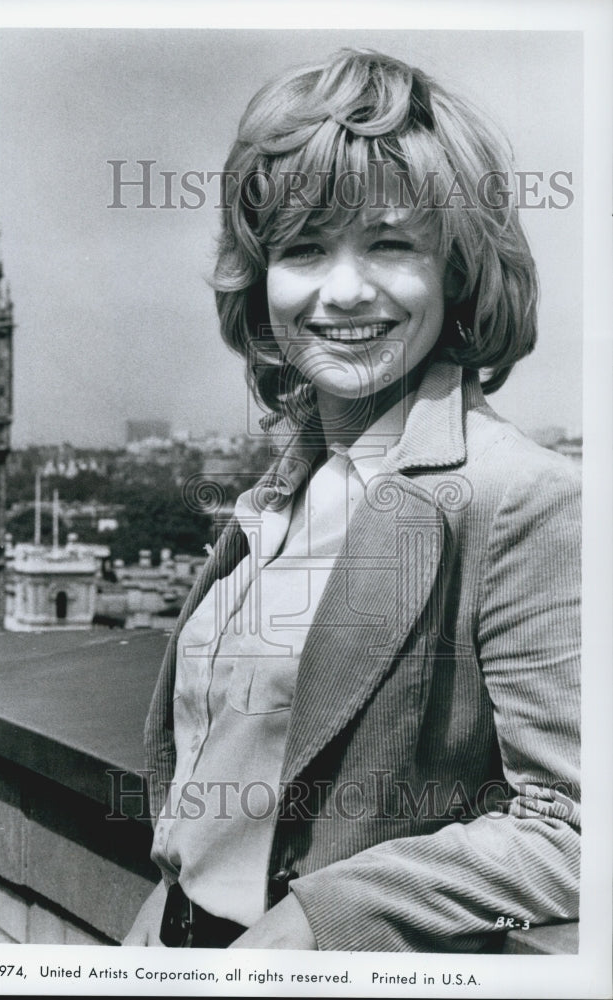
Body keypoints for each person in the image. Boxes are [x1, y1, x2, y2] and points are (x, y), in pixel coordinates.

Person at [124, 48, 580, 952]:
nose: (341, 291)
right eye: (301, 248)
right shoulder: (283, 489)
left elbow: (574, 833)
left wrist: (320, 918)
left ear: (457, 270)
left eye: (389, 243)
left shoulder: (522, 497)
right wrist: (166, 904)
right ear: (259, 282)